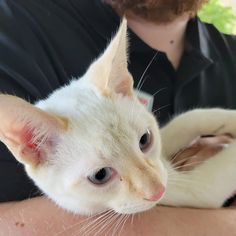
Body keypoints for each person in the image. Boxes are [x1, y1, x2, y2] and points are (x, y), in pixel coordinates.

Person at [0, 0, 235, 235]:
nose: (155, 188)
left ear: (124, 86)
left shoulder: (227, 51)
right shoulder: (17, 26)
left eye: (144, 140)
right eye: (100, 175)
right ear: (33, 146)